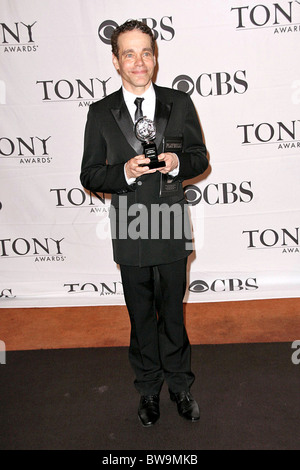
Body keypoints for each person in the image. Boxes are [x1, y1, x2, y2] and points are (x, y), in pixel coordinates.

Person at [80, 20, 208, 427]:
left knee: (172, 313)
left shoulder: (179, 103)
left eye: (146, 52)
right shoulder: (100, 112)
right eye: (129, 54)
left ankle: (180, 385)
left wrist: (175, 163)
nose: (139, 62)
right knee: (140, 316)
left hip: (169, 219)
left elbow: (199, 158)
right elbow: (90, 175)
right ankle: (149, 390)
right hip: (132, 223)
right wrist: (126, 172)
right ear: (116, 60)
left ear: (155, 57)